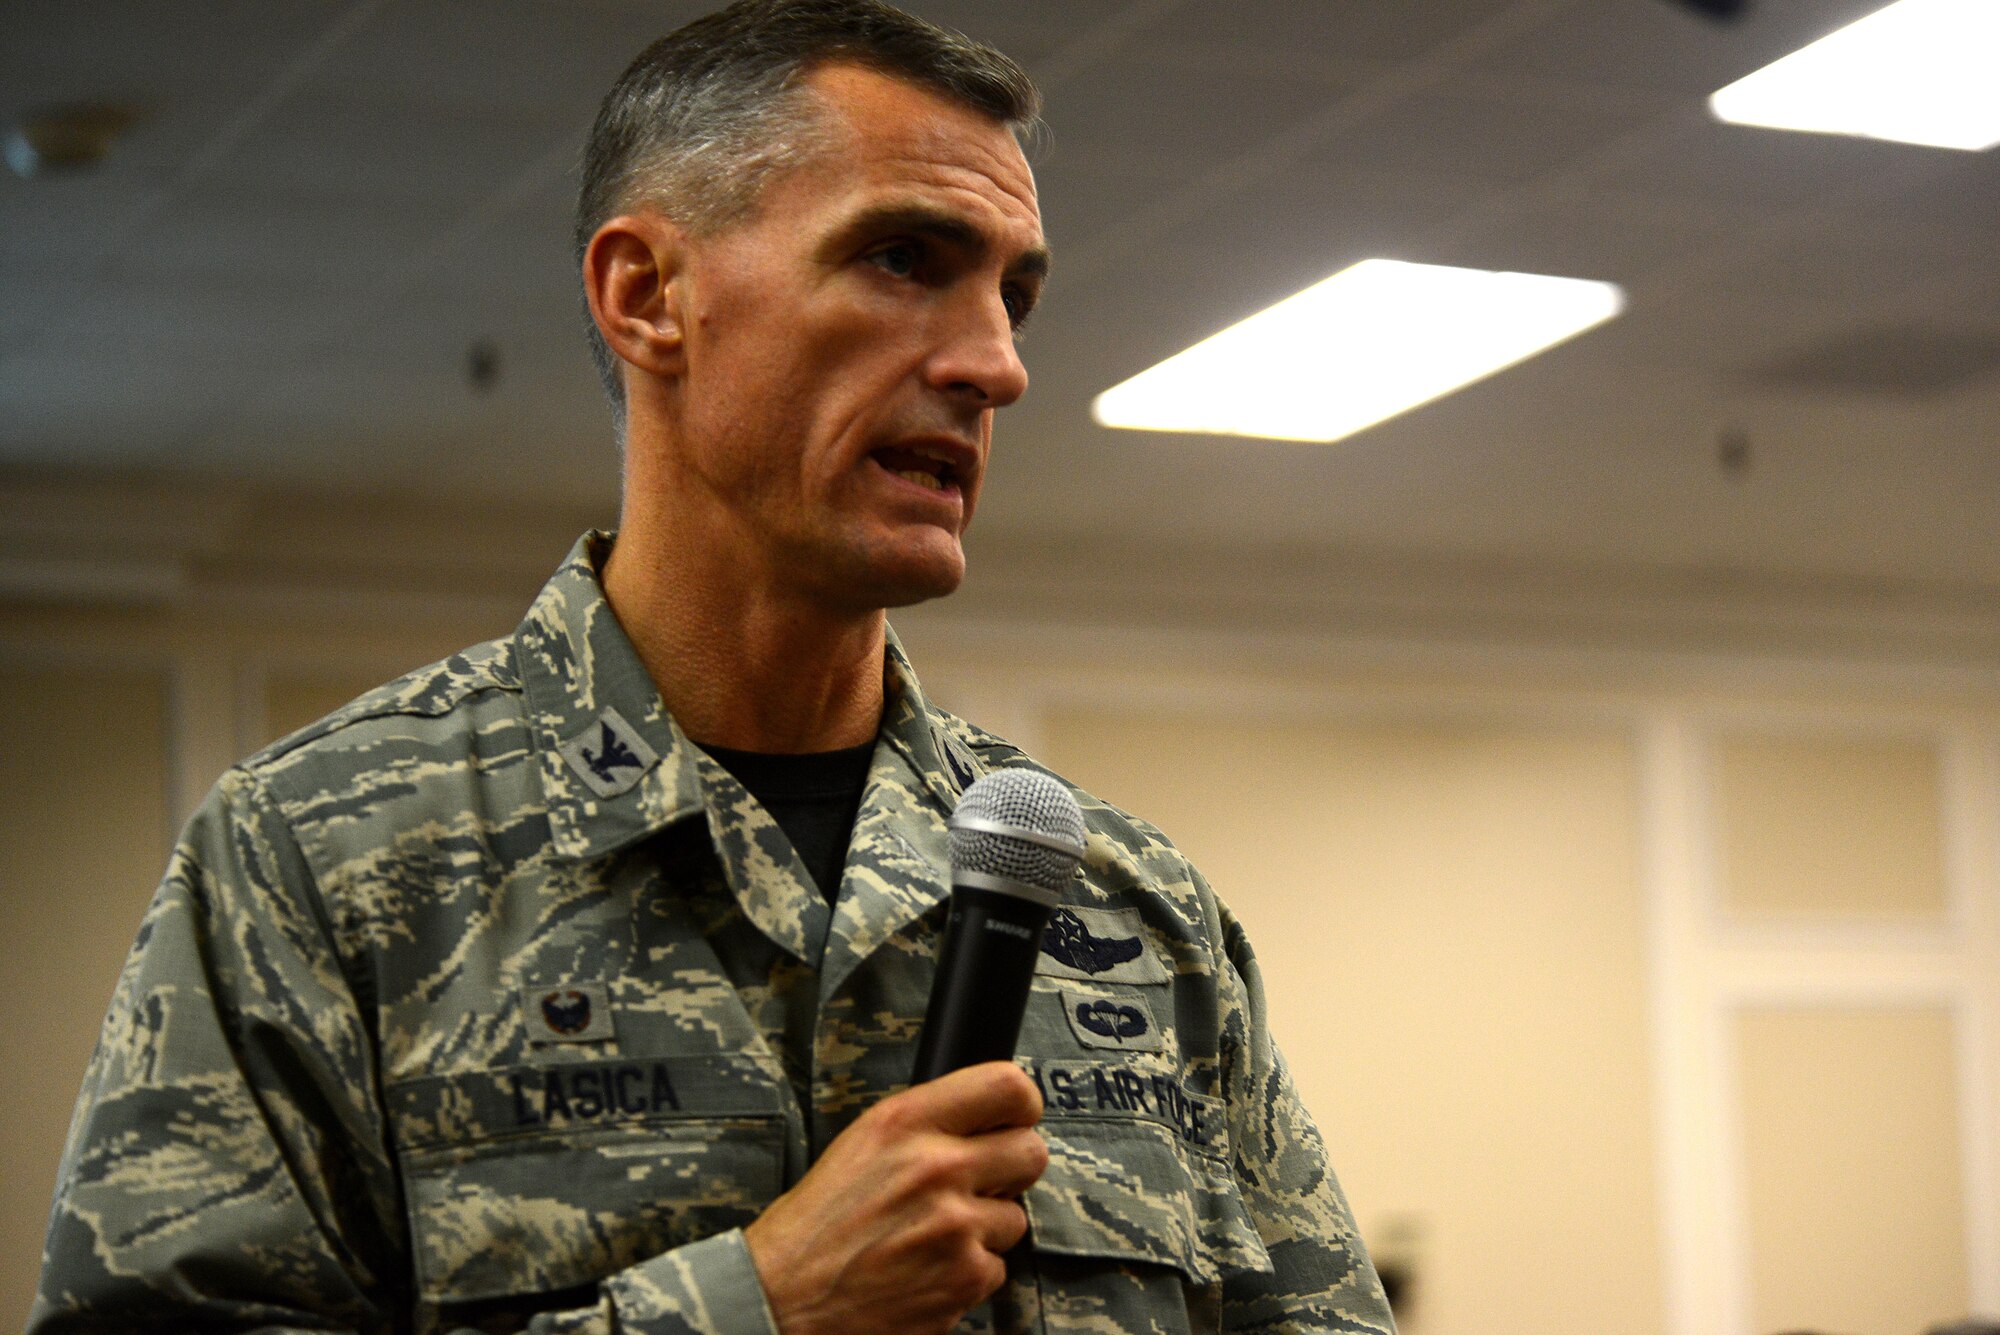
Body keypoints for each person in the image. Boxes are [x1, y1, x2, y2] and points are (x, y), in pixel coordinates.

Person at [30, 3, 1395, 1332]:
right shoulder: (317, 864)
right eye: (907, 260)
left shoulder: (1129, 910)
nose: (996, 364)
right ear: (649, 298)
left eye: (1013, 295)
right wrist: (755, 1310)